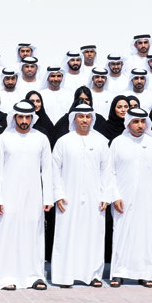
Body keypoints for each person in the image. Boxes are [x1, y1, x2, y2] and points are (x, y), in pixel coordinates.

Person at [0, 100, 53, 290]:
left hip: (34, 196)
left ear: (32, 118)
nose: (24, 121)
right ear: (14, 117)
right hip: (8, 196)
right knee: (8, 235)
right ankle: (6, 277)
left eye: (27, 117)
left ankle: (34, 276)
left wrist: (48, 197)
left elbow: (47, 170)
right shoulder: (4, 138)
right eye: (21, 117)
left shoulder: (41, 138)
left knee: (33, 234)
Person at [51, 103, 114, 288]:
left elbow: (107, 170)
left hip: (95, 199)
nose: (84, 120)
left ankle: (93, 275)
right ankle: (64, 276)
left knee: (93, 236)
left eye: (87, 117)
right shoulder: (63, 141)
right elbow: (55, 170)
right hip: (67, 198)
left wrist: (105, 196)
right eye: (81, 117)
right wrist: (58, 194)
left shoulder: (101, 142)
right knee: (66, 235)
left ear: (92, 119)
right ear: (74, 119)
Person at [109, 108, 152, 288]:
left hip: (149, 198)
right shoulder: (118, 142)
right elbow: (109, 172)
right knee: (121, 234)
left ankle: (145, 274)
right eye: (135, 121)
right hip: (123, 198)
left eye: (143, 121)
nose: (140, 125)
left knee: (147, 234)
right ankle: (119, 273)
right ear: (128, 123)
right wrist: (114, 196)